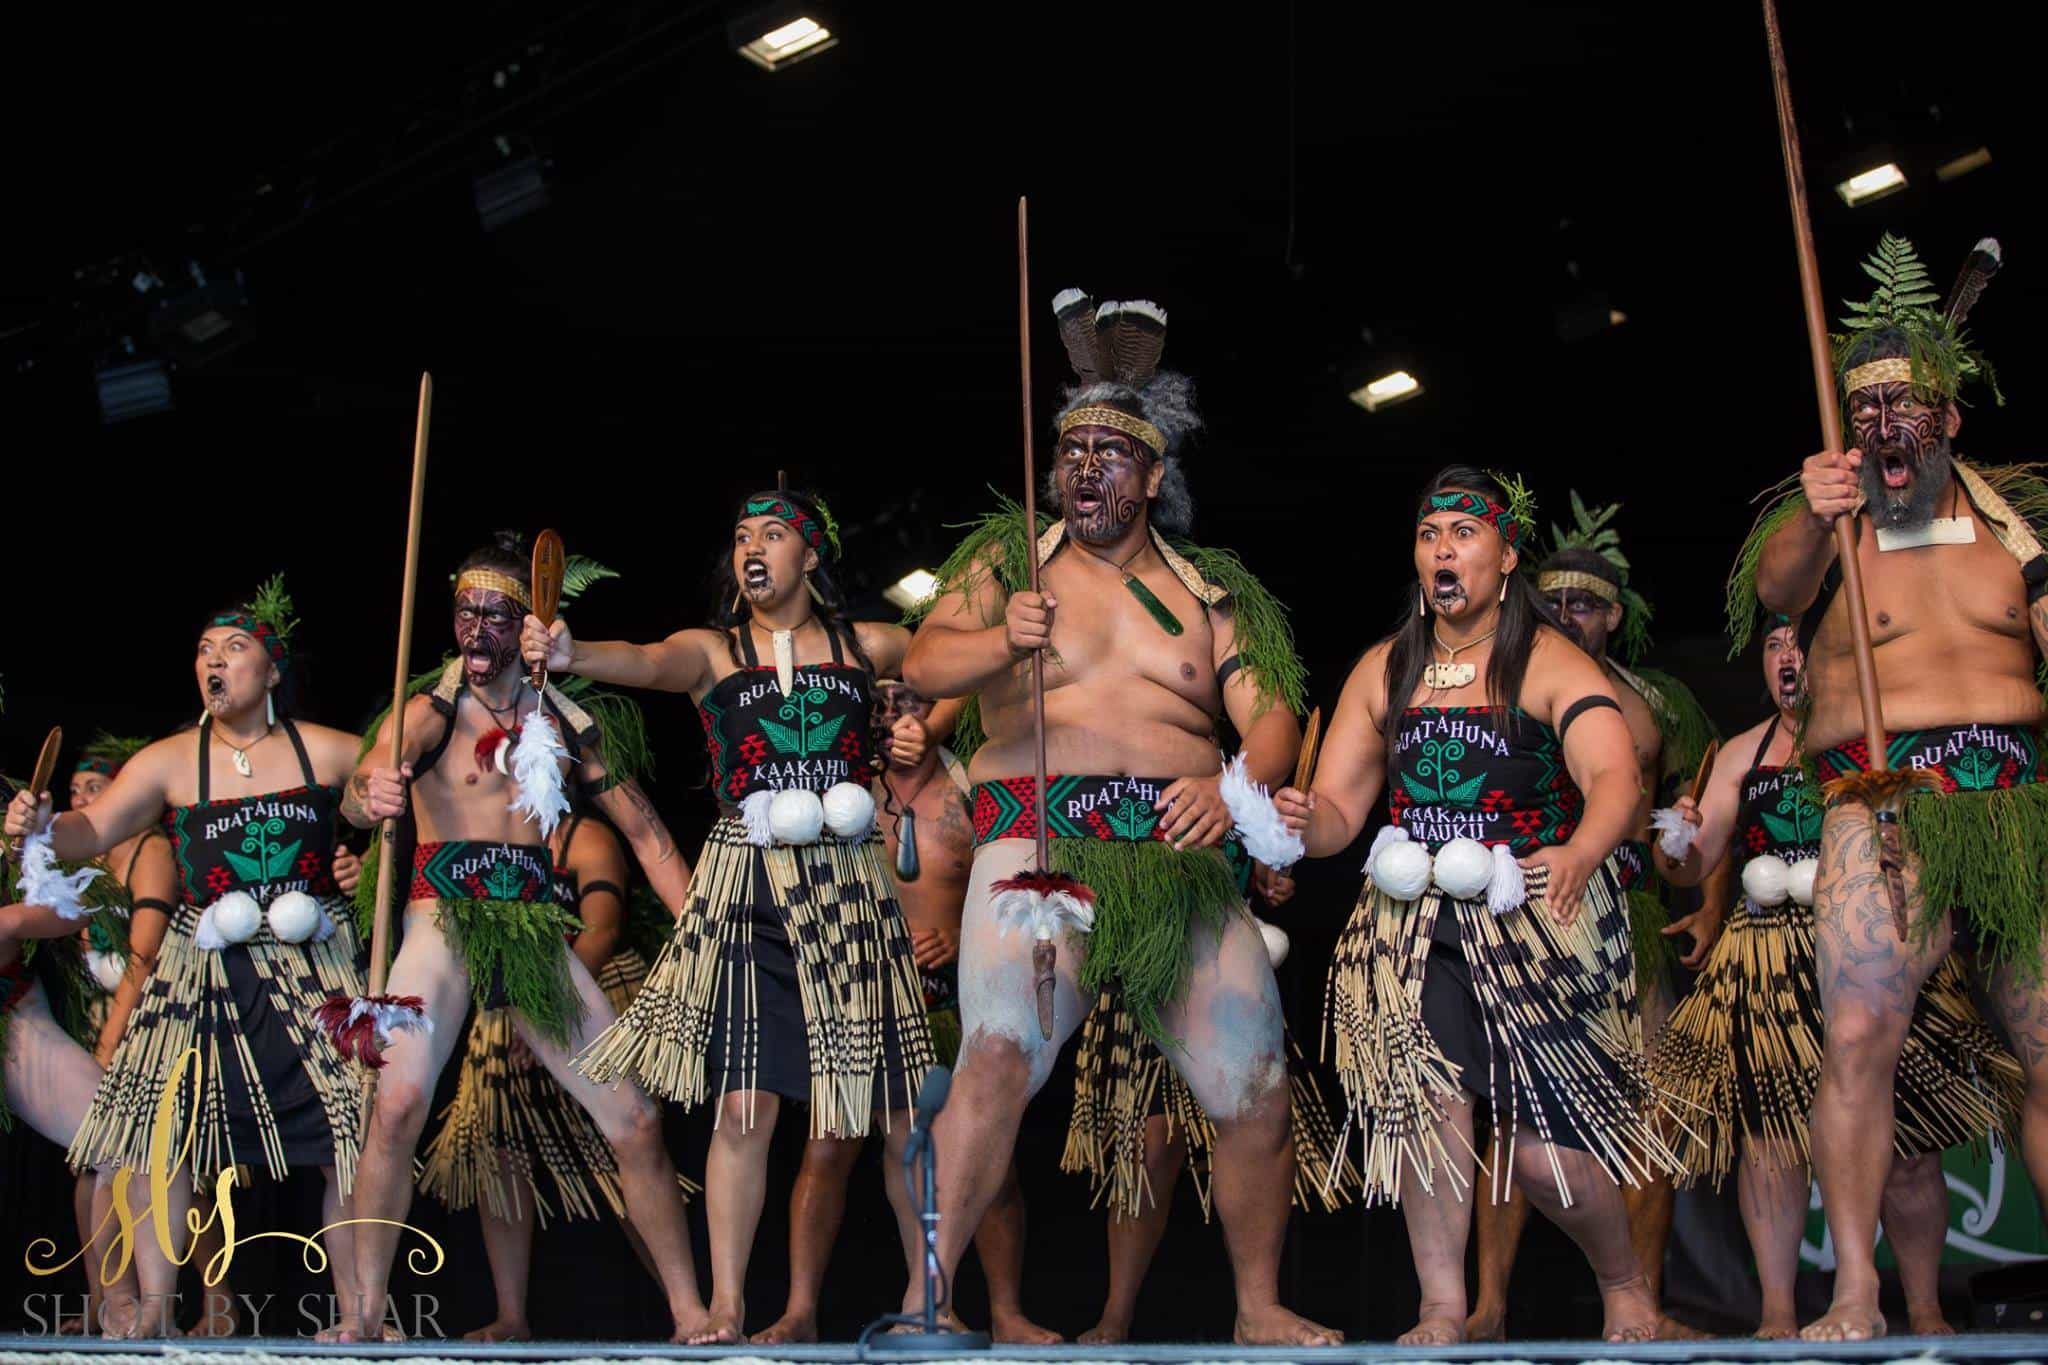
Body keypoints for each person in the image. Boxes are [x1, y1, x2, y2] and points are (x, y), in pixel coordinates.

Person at [900, 288, 1334, 1346]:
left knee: (1256, 1078)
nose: (1083, 466)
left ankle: (1258, 1306)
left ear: (1151, 476)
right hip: (1036, 848)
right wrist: (1002, 638)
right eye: (1069, 450)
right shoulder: (1007, 561)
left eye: (1108, 452)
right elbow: (922, 663)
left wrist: (1228, 786)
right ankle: (924, 1302)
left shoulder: (1209, 589)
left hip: (1174, 859)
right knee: (997, 1057)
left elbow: (1270, 717)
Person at [1274, 466, 1678, 1345]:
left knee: (1542, 1157)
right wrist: (1304, 824)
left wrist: (1579, 848)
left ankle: (1623, 1283)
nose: (1443, 549)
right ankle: (1441, 1306)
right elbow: (1344, 812)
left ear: (1505, 554)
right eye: (1429, 535)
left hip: (1534, 918)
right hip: (1418, 922)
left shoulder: (1546, 660)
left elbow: (1616, 776)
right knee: (1429, 1110)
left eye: (1463, 532)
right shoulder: (1388, 667)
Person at [522, 491, 933, 1344]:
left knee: (897, 1108)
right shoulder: (713, 652)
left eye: (773, 534)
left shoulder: (875, 644)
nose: (753, 548)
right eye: (741, 536)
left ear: (810, 557)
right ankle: (726, 1307)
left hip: (851, 887)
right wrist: (570, 650)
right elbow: (640, 658)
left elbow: (961, 670)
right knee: (744, 1106)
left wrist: (924, 727)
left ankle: (932, 1301)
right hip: (746, 888)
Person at [1740, 233, 2048, 1341]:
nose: (1882, 435)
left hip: (2012, 806)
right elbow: (1773, 594)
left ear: (1950, 421)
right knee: (1861, 1031)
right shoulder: (1827, 531)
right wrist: (1813, 512)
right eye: (1861, 416)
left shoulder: (2014, 538)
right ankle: (1855, 1291)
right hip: (1880, 805)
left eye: (1904, 410)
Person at [333, 534, 705, 1343]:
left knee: (635, 1119)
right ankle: (361, 1315)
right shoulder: (427, 712)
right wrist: (373, 796)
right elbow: (364, 795)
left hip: (533, 922)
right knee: (395, 1106)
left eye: (496, 614)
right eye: (465, 611)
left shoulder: (562, 719)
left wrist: (705, 932)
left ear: (528, 624)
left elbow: (647, 835)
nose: (476, 629)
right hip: (441, 913)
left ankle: (690, 1312)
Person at [4, 577, 370, 1338]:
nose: (213, 661)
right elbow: (90, 831)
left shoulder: (325, 747)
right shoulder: (172, 759)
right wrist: (40, 824)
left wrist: (363, 856)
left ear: (271, 670)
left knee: (351, 1123)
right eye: (203, 650)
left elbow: (384, 794)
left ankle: (361, 1312)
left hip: (311, 960)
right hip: (203, 961)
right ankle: (156, 1309)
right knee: (157, 1128)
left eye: (234, 649)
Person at [1650, 614, 2016, 1337]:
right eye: (1773, 647)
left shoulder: (1876, 739)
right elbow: (1687, 866)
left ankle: (1923, 1308)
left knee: (1909, 1145)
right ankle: (1779, 1316)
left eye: (1800, 645)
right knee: (1773, 1145)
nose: (1788, 659)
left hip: (1871, 951)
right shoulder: (1738, 753)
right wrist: (1678, 837)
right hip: (1768, 958)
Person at [1465, 495, 1725, 1342]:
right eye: (1554, 599)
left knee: (1648, 1111)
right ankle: (1487, 1307)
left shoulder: (1658, 706)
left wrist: (1708, 899)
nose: (1568, 613)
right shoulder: (1499, 682)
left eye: (1585, 601)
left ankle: (1640, 1303)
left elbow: (1689, 827)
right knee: (1511, 1113)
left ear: (1615, 614)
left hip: (1625, 925)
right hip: (1527, 913)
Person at [753, 679, 1056, 1345]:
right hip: (863, 995)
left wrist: (958, 940)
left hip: (952, 1000)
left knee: (990, 1161)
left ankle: (1003, 1309)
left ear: (944, 709)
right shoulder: (840, 797)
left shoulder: (976, 788)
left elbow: (1017, 880)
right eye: (882, 705)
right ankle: (800, 1309)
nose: (897, 717)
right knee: (827, 1147)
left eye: (912, 702)